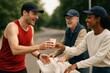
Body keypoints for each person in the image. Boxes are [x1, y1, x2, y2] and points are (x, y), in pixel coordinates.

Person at [54, 6, 110, 73]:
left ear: (98, 19)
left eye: (89, 17)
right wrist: (63, 48)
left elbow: (98, 58)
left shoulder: (107, 36)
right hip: (95, 68)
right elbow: (77, 50)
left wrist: (77, 65)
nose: (86, 20)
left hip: (107, 69)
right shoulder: (89, 35)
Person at [0, 2, 53, 73]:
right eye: (34, 14)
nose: (37, 17)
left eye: (37, 15)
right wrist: (39, 46)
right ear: (25, 13)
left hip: (21, 68)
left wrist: (39, 55)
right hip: (5, 69)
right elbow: (15, 50)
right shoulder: (12, 27)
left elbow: (31, 47)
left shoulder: (31, 29)